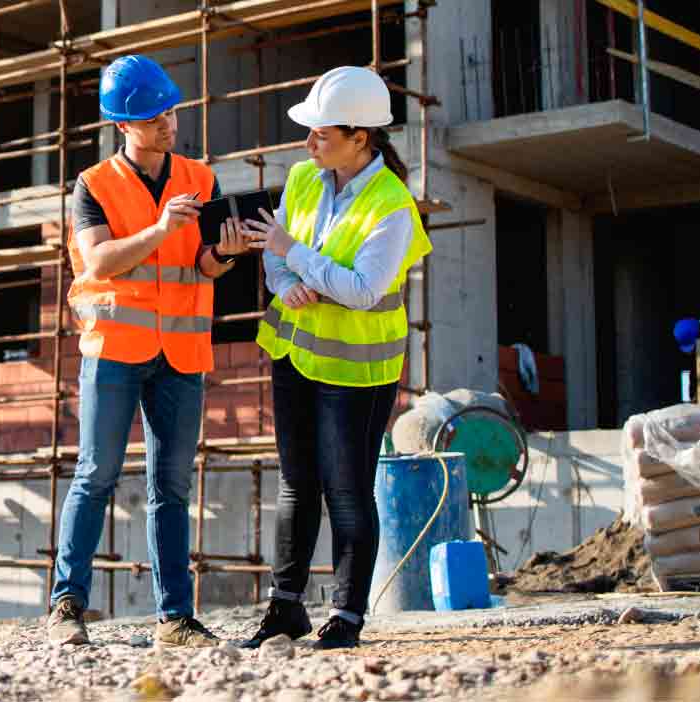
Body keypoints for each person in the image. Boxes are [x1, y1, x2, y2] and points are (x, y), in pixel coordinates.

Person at [44, 54, 245, 649]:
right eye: (154, 114)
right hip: (115, 349)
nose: (168, 122)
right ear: (123, 124)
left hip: (181, 354)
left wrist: (228, 253)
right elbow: (101, 259)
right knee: (95, 475)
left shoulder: (200, 178)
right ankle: (66, 607)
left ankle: (175, 620)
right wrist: (159, 227)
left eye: (171, 110)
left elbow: (203, 264)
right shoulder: (94, 185)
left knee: (172, 488)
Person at [237, 65, 432, 650]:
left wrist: (291, 253)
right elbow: (273, 249)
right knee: (296, 485)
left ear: (360, 138)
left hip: (357, 369)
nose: (309, 141)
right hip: (295, 353)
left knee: (347, 490)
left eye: (321, 132)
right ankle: (286, 606)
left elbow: (364, 288)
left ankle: (346, 616)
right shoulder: (303, 178)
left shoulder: (392, 205)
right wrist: (282, 279)